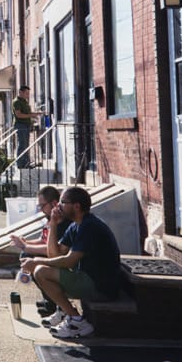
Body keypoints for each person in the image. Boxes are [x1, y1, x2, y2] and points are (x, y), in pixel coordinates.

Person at [21, 186, 122, 339]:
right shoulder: (76, 225)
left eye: (62, 202)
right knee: (42, 268)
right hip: (87, 278)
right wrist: (53, 224)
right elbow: (54, 254)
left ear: (76, 206)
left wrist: (35, 261)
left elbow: (68, 261)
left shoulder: (89, 226)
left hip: (101, 286)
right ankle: (66, 313)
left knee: (41, 271)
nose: (58, 206)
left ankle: (77, 321)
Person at [9, 185, 69, 317]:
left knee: (31, 260)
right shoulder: (51, 218)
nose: (41, 210)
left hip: (63, 262)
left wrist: (25, 246)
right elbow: (43, 240)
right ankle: (49, 300)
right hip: (56, 257)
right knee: (27, 255)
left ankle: (53, 303)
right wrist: (25, 242)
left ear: (53, 203)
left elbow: (52, 250)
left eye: (42, 206)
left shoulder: (61, 222)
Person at [12, 85, 39, 168]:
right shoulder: (16, 101)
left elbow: (27, 113)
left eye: (28, 93)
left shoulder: (25, 101)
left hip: (26, 125)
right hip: (20, 125)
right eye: (26, 93)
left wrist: (36, 114)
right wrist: (31, 115)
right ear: (20, 92)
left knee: (26, 145)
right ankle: (20, 164)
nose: (28, 95)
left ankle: (26, 163)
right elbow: (19, 115)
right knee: (22, 144)